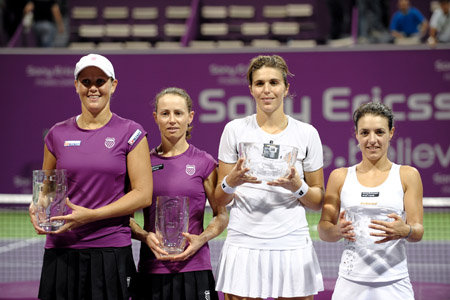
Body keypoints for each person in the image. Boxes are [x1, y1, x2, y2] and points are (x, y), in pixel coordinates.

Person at [29, 53, 153, 300]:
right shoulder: (56, 134)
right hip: (62, 249)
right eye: (86, 82)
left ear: (113, 85)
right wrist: (37, 205)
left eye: (100, 81)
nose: (93, 88)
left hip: (110, 250)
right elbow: (48, 190)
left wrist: (91, 216)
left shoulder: (132, 133)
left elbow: (142, 195)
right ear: (76, 86)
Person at [214, 55, 324, 300]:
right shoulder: (234, 130)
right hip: (243, 243)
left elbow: (317, 200)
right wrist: (232, 181)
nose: (267, 90)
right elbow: (219, 199)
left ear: (286, 88)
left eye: (274, 83)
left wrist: (298, 187)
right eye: (260, 83)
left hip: (292, 243)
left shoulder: (307, 134)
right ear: (251, 89)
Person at [130, 87, 229, 300]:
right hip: (151, 270)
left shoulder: (205, 163)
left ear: (190, 117)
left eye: (178, 113)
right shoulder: (142, 163)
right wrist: (145, 237)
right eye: (165, 114)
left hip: (195, 269)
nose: (172, 120)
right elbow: (124, 219)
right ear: (156, 118)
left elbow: (221, 215)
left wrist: (201, 239)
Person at [318, 102, 424, 300]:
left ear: (391, 133)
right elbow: (324, 229)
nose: (372, 140)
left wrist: (405, 230)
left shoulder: (408, 175)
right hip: (349, 285)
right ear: (356, 135)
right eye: (365, 132)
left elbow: (417, 231)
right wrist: (337, 231)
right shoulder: (339, 177)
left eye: (379, 132)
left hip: (395, 284)